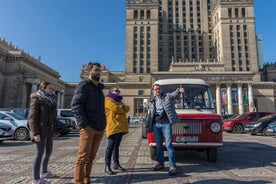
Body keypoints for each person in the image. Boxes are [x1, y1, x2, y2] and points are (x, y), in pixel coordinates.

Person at [71, 62, 106, 184]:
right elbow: (75, 106)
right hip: (88, 127)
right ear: (89, 71)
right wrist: (84, 125)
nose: (98, 72)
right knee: (83, 157)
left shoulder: (99, 88)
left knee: (91, 157)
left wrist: (103, 124)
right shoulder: (84, 85)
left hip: (99, 127)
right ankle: (78, 181)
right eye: (96, 70)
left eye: (99, 70)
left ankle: (87, 180)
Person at [145, 84, 184, 176]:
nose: (157, 90)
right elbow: (150, 114)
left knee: (169, 144)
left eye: (158, 89)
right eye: (155, 89)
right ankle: (160, 164)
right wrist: (148, 125)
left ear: (160, 89)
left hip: (166, 124)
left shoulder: (166, 96)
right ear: (153, 91)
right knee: (158, 145)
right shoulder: (152, 101)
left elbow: (174, 94)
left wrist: (178, 90)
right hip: (156, 125)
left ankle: (172, 166)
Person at [28, 81, 57, 184]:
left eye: (53, 89)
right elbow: (32, 118)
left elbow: (53, 117)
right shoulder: (36, 100)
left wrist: (54, 131)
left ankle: (44, 172)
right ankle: (36, 179)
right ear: (43, 88)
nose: (52, 91)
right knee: (39, 154)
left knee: (48, 152)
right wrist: (35, 133)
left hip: (49, 131)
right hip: (40, 131)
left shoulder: (51, 100)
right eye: (50, 88)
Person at [104, 86, 130, 175]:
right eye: (116, 91)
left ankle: (116, 164)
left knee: (116, 146)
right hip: (113, 126)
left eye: (119, 91)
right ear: (111, 91)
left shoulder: (118, 101)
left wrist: (122, 107)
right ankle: (107, 165)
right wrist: (122, 108)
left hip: (120, 127)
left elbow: (127, 108)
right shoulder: (108, 100)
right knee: (110, 146)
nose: (118, 92)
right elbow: (116, 109)